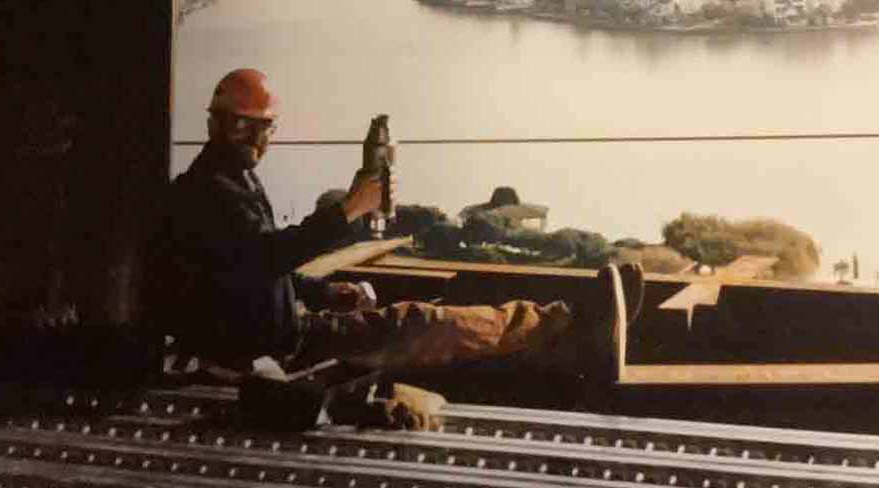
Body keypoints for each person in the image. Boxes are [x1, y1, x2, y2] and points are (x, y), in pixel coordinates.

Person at [159, 68, 642, 380]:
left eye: (259, 128)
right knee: (421, 322)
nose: (259, 139)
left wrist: (326, 293)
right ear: (235, 128)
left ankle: (565, 326)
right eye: (257, 127)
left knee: (421, 321)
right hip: (280, 350)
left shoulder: (222, 183)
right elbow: (265, 258)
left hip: (287, 333)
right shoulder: (210, 193)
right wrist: (349, 210)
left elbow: (254, 270)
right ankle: (573, 323)